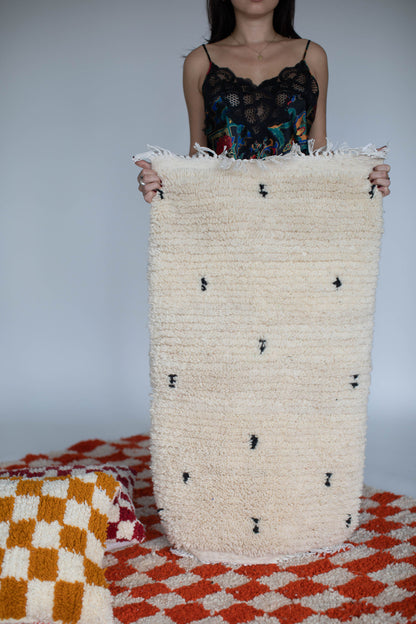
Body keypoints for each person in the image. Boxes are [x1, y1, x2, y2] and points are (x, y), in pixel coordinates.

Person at [135, 0, 391, 202]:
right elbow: (199, 158)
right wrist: (160, 183)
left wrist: (363, 178)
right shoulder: (200, 62)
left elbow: (319, 152)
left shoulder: (312, 56)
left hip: (298, 214)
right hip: (227, 217)